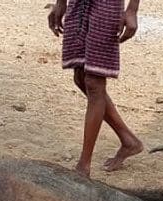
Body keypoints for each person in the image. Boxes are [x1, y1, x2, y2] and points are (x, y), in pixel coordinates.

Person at [48, 0, 144, 177]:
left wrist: (132, 8)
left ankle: (83, 167)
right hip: (78, 5)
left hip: (107, 5)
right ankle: (128, 140)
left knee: (94, 82)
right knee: (80, 77)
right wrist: (60, 2)